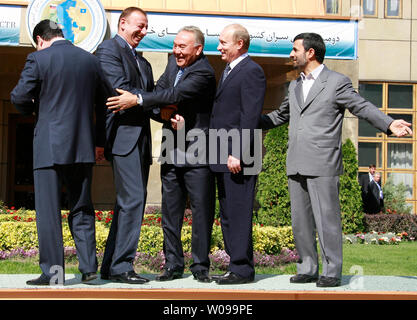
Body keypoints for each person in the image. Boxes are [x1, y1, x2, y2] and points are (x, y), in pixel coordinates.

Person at [260, 32, 412, 287]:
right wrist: (247, 120)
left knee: (326, 219)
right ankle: (308, 267)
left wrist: (388, 123)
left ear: (310, 53)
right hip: (295, 160)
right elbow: (279, 116)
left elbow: (360, 106)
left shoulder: (337, 82)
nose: (290, 54)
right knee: (300, 221)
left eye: (294, 49)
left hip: (323, 162)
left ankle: (331, 271)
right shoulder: (295, 85)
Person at [106, 26, 217, 282]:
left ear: (198, 49)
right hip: (171, 149)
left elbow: (174, 94)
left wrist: (137, 99)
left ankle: (200, 266)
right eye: (175, 45)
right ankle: (173, 265)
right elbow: (160, 94)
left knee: (201, 212)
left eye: (182, 47)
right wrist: (161, 112)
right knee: (170, 213)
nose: (176, 51)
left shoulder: (203, 72)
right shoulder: (171, 65)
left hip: (198, 152)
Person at [10, 19, 109, 285]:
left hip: (48, 147)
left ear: (40, 39)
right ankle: (89, 270)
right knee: (82, 208)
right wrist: (99, 142)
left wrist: (33, 107)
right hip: (82, 146)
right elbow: (104, 105)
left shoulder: (38, 59)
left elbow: (19, 97)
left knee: (48, 211)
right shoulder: (91, 61)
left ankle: (54, 275)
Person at [95, 7, 154, 284]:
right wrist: (147, 99)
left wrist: (165, 110)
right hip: (122, 137)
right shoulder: (108, 50)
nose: (143, 32)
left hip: (142, 139)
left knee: (129, 203)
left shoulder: (143, 62)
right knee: (133, 200)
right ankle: (122, 267)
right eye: (138, 26)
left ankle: (110, 266)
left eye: (145, 27)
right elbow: (120, 89)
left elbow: (148, 98)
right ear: (122, 23)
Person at [208, 24, 266, 285]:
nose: (219, 47)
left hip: (237, 158)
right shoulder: (230, 70)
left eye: (223, 42)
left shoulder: (252, 71)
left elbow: (249, 116)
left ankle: (242, 270)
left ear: (239, 44)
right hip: (224, 156)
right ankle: (236, 266)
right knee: (229, 213)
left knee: (239, 213)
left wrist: (237, 153)